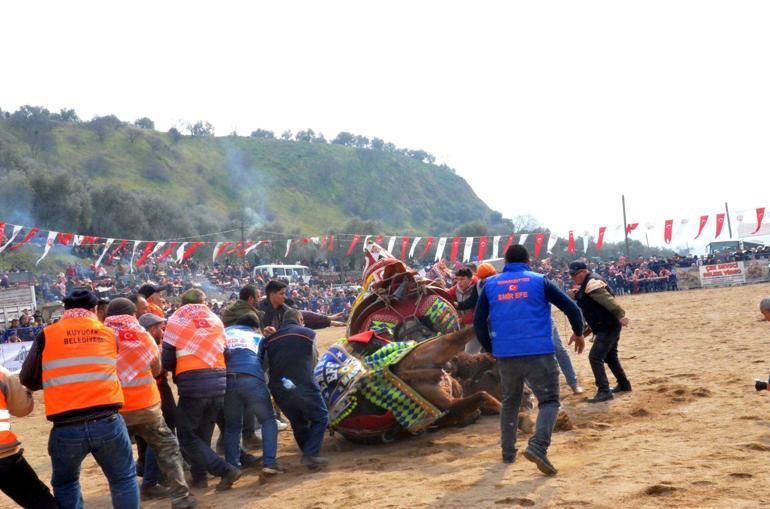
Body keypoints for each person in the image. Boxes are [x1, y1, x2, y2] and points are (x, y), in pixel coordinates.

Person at [20, 289, 140, 509]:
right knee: (123, 478)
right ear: (94, 310)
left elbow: (27, 377)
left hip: (66, 426)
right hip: (107, 421)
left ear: (65, 310)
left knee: (66, 483)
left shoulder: (47, 334)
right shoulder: (108, 333)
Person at [474, 245, 584, 476]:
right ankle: (538, 446)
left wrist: (489, 348)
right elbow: (572, 308)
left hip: (506, 356)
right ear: (528, 261)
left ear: (504, 262)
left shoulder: (491, 285)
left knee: (511, 401)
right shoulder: (539, 281)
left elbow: (478, 321)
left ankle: (507, 452)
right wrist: (578, 332)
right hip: (539, 353)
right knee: (550, 401)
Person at [104, 299, 196, 508]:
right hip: (148, 408)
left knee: (119, 460)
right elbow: (157, 368)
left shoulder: (101, 336)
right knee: (168, 450)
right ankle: (181, 498)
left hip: (115, 409)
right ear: (132, 315)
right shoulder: (142, 336)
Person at [161, 289, 244, 491]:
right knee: (203, 433)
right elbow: (227, 353)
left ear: (182, 304)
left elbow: (167, 360)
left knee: (187, 436)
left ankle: (225, 470)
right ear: (202, 302)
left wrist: (180, 368)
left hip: (193, 386)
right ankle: (200, 478)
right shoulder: (215, 320)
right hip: (218, 384)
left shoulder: (176, 320)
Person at [259, 309, 329, 470]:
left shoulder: (268, 340)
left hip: (279, 387)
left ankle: (308, 454)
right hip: (303, 383)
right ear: (300, 319)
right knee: (321, 417)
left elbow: (264, 365)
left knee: (298, 421)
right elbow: (313, 359)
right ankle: (310, 455)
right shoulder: (307, 333)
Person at [223, 314, 282, 475]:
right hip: (251, 378)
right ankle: (269, 463)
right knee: (268, 420)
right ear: (255, 327)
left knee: (232, 427)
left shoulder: (224, 333)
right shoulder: (257, 336)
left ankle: (232, 469)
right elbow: (265, 363)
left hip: (226, 380)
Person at [568, 261, 631, 403]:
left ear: (583, 272)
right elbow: (591, 307)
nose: (573, 278)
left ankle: (604, 391)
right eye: (571, 275)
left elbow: (608, 300)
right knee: (610, 357)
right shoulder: (587, 284)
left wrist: (620, 315)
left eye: (575, 274)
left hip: (608, 326)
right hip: (606, 325)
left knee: (595, 357)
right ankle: (624, 384)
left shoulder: (592, 283)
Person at [0, 365, 58, 508]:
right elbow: (22, 408)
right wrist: (28, 392)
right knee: (40, 501)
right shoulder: (2, 374)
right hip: (4, 455)